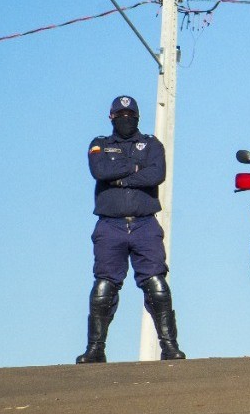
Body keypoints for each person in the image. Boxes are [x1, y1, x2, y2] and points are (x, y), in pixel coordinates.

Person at [78, 95, 185, 363]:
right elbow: (100, 171)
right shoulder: (99, 144)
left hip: (145, 224)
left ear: (138, 117)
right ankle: (95, 349)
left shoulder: (151, 144)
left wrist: (121, 178)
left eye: (131, 115)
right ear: (111, 117)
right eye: (120, 115)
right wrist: (136, 168)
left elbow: (157, 174)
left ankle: (169, 347)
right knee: (104, 286)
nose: (126, 119)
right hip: (109, 225)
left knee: (156, 284)